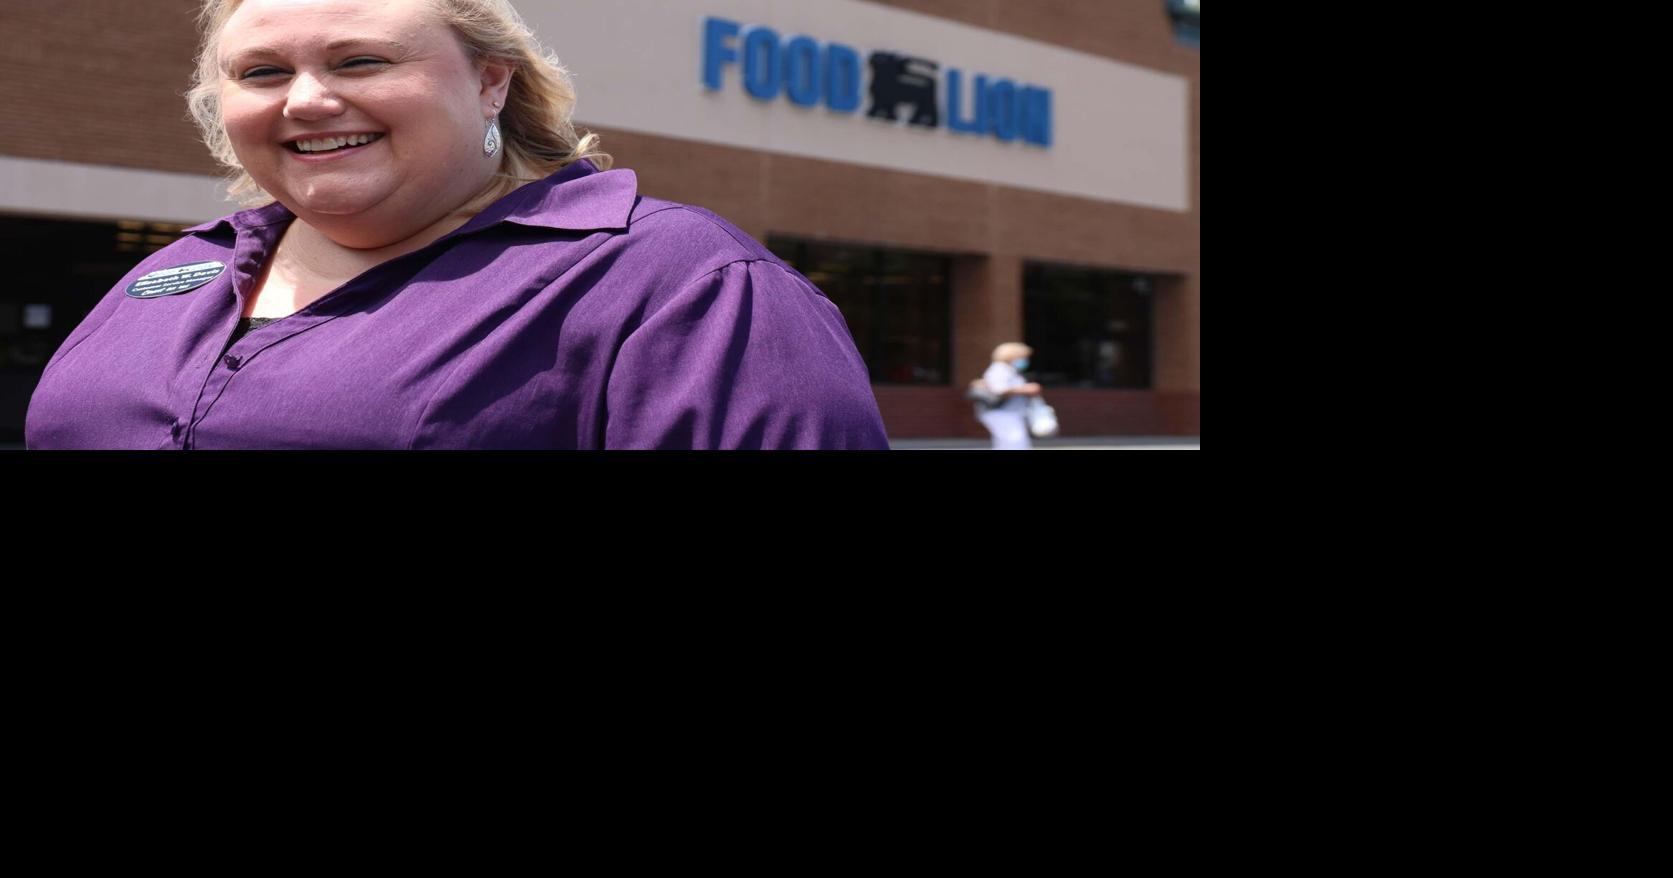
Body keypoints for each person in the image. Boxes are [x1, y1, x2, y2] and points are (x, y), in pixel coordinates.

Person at [25, 0, 889, 450]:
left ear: (490, 85)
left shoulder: (676, 284)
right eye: (260, 71)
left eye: (361, 60)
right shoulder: (174, 271)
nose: (308, 99)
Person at [976, 342, 1043, 450]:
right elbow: (1000, 390)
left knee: (1008, 444)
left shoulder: (1010, 370)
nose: (1025, 360)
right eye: (1023, 357)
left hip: (1011, 412)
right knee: (1014, 443)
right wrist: (1026, 389)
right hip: (1002, 412)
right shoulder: (1000, 370)